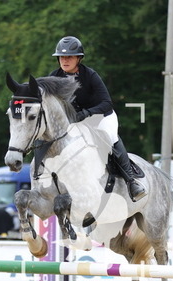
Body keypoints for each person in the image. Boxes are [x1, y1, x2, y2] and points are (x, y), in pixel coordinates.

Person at [49, 36, 146, 202]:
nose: (65, 60)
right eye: (62, 57)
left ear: (78, 58)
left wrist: (86, 113)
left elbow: (107, 103)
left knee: (110, 136)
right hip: (73, 122)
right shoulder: (54, 77)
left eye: (69, 57)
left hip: (100, 117)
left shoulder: (90, 75)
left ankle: (131, 182)